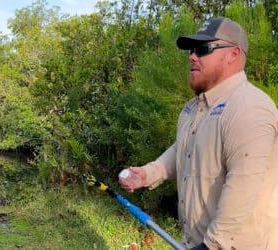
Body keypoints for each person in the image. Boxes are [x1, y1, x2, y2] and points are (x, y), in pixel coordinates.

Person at [119, 17, 278, 250]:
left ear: (233, 55)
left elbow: (245, 185)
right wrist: (147, 174)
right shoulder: (193, 108)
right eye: (192, 50)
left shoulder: (249, 107)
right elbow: (183, 148)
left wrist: (211, 245)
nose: (192, 56)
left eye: (203, 49)